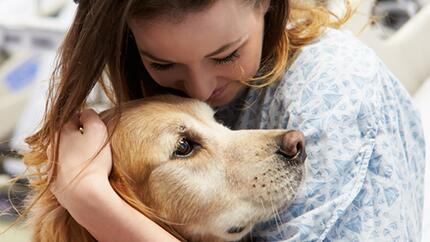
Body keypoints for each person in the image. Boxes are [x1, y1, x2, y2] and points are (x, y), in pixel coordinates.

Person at [25, 0, 426, 241]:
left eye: (226, 54)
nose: (198, 89)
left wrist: (89, 200)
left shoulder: (333, 92)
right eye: (162, 63)